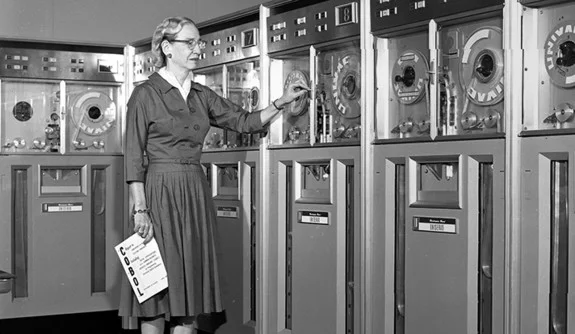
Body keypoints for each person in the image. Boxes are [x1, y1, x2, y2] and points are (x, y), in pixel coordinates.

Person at [120, 16, 309, 334]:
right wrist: (140, 208)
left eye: (199, 42)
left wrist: (283, 101)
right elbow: (133, 156)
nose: (198, 48)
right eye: (189, 43)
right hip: (157, 194)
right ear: (167, 48)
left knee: (190, 297)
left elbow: (245, 122)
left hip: (193, 191)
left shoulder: (200, 95)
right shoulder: (145, 94)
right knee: (154, 294)